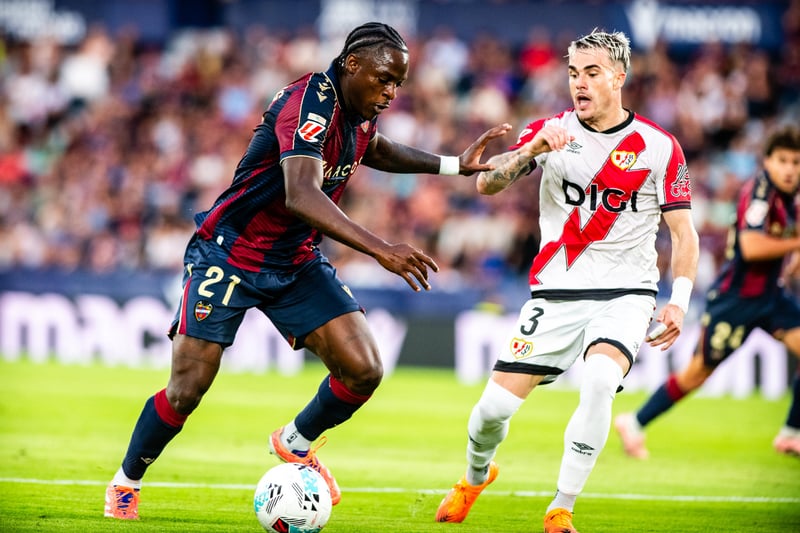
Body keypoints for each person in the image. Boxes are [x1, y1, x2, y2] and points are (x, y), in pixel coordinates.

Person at [103, 21, 511, 520]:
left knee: (363, 369)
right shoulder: (311, 101)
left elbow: (373, 148)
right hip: (230, 253)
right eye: (384, 79)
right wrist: (380, 248)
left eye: (398, 84)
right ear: (352, 65)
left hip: (293, 259)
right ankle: (126, 481)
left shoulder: (359, 113)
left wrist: (452, 166)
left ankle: (295, 441)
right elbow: (300, 193)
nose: (390, 93)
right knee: (187, 389)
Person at [434, 29, 699, 533]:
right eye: (574, 72)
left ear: (619, 77)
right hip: (556, 292)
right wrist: (532, 149)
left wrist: (679, 301)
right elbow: (487, 184)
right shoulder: (550, 131)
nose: (579, 83)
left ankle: (561, 507)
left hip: (626, 293)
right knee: (492, 411)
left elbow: (684, 233)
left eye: (592, 73)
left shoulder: (659, 147)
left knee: (599, 382)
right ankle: (474, 477)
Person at [615, 125, 800, 460]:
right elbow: (752, 246)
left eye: (796, 162)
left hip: (771, 297)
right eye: (783, 161)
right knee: (697, 373)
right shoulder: (759, 193)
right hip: (736, 300)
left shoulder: (789, 198)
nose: (789, 169)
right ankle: (635, 421)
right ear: (768, 162)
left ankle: (790, 433)